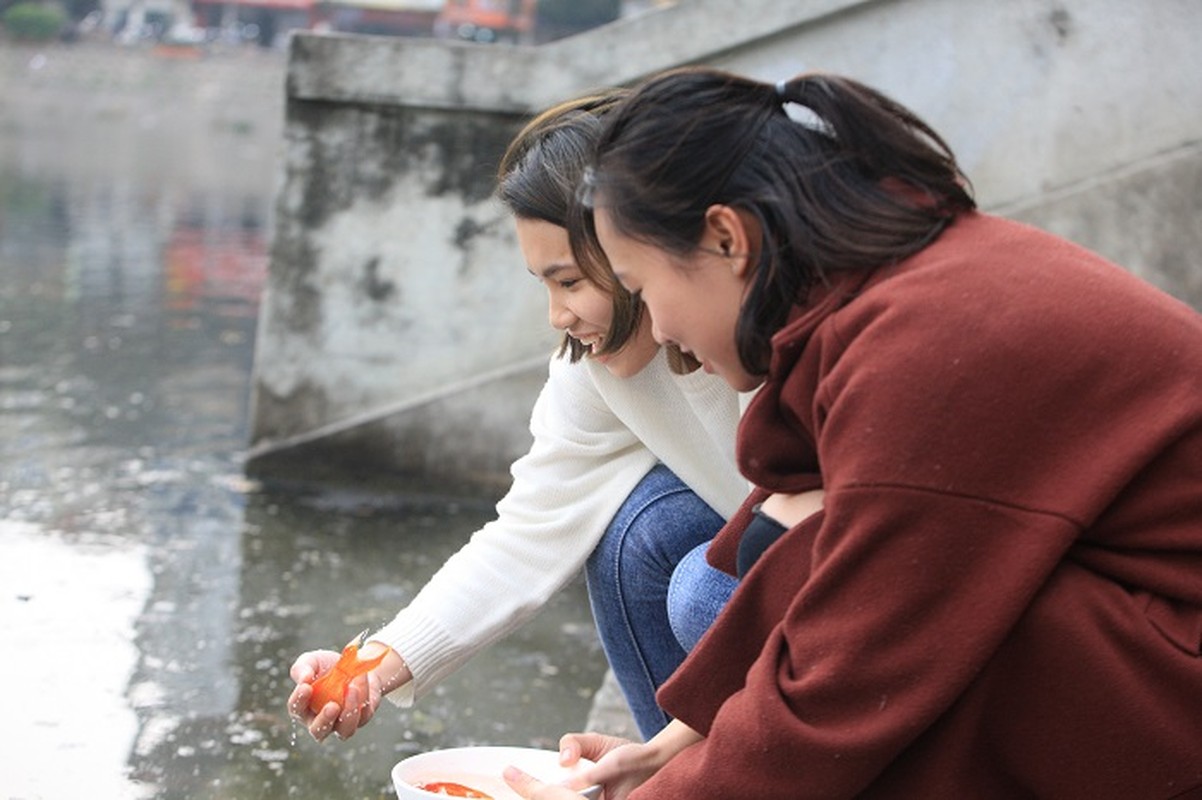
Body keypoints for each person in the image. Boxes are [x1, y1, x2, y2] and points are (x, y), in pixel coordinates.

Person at [506, 67, 1202, 799]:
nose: (663, 327)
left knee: (916, 666)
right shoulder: (879, 292)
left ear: (725, 238)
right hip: (1143, 617)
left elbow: (845, 685)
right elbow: (790, 528)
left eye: (643, 290)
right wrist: (676, 747)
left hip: (1176, 664)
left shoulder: (926, 341)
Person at [286, 90, 747, 744]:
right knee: (638, 529)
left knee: (704, 589)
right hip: (780, 559)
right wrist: (376, 667)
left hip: (857, 590)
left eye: (571, 281)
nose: (557, 316)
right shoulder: (597, 366)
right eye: (545, 285)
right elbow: (532, 529)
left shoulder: (765, 337)